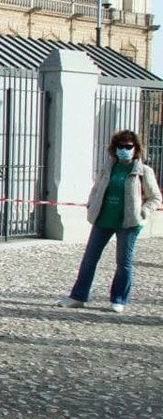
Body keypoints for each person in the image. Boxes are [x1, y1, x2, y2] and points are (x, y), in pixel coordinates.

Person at [59, 130, 160, 314]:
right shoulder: (108, 168)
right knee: (89, 259)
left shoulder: (143, 171)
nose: (124, 150)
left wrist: (143, 211)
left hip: (129, 223)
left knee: (123, 262)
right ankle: (78, 296)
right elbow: (96, 189)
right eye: (120, 146)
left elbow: (155, 197)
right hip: (103, 219)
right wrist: (91, 204)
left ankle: (118, 299)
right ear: (114, 148)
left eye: (128, 146)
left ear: (136, 148)